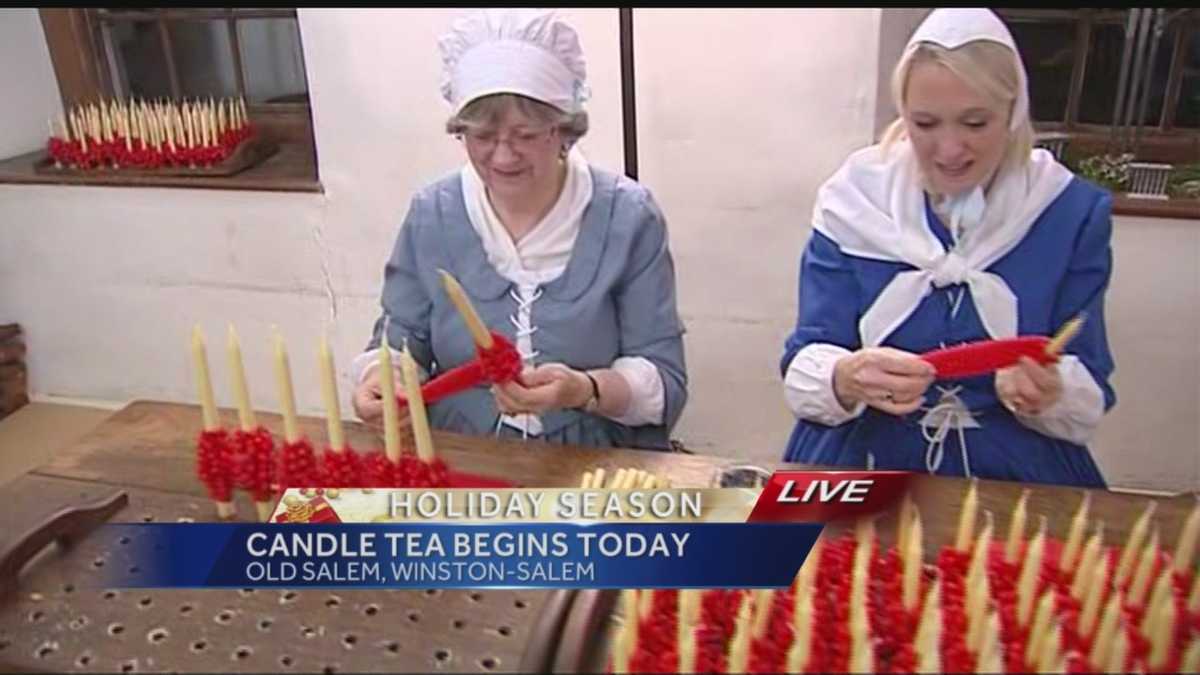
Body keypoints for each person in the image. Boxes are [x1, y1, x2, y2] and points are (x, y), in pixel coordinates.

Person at [780, 8, 1116, 487]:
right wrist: (846, 376)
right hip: (860, 460)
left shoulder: (1067, 212)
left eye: (975, 123)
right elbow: (806, 356)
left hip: (1019, 471)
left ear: (1013, 114)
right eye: (925, 123)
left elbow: (1089, 377)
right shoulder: (854, 201)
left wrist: (1050, 390)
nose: (950, 149)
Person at [351, 9, 687, 451]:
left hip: (592, 464)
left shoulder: (627, 216)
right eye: (482, 137)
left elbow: (663, 379)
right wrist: (384, 379)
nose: (503, 156)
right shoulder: (433, 213)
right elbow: (400, 340)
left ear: (564, 129)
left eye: (525, 135)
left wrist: (584, 389)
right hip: (463, 454)